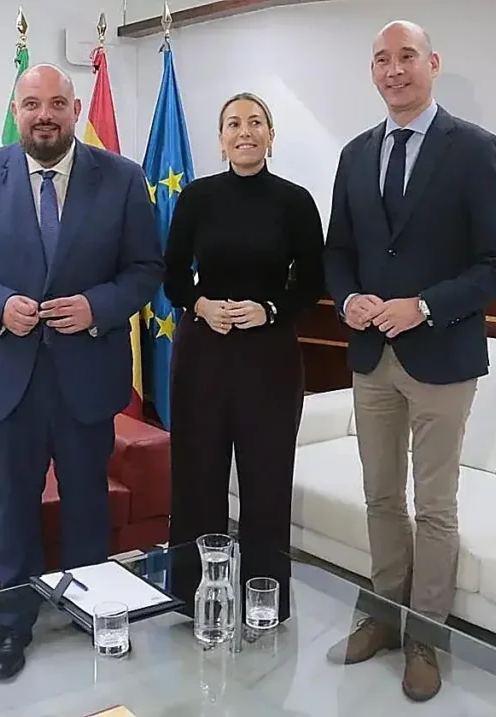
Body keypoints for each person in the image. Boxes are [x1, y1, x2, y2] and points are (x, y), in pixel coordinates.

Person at [0, 64, 164, 681]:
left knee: (88, 502)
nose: (44, 115)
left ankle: (94, 610)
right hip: (8, 377)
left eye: (57, 103)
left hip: (87, 375)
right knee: (12, 505)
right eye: (32, 104)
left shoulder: (121, 178)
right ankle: (13, 623)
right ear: (17, 108)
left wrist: (98, 308)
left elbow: (145, 268)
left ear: (76, 107)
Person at [322, 20, 496, 701]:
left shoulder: (474, 150)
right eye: (381, 59)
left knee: (434, 506)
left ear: (432, 63)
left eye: (406, 56)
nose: (393, 70)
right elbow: (338, 250)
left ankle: (426, 637)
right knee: (380, 495)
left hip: (443, 354)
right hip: (370, 353)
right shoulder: (354, 154)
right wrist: (346, 296)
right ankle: (384, 614)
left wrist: (425, 305)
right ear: (372, 72)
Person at [163, 92, 326, 624]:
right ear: (221, 138)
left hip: (269, 358)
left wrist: (271, 309)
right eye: (233, 123)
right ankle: (193, 598)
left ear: (271, 136)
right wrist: (201, 304)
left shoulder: (296, 200)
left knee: (266, 482)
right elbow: (170, 275)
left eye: (256, 122)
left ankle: (265, 602)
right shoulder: (197, 197)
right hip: (203, 353)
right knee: (197, 478)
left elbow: (314, 282)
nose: (245, 131)